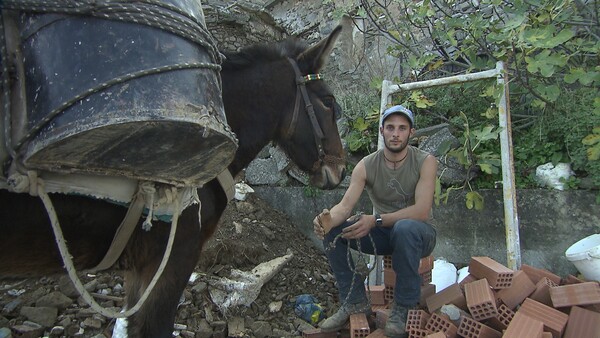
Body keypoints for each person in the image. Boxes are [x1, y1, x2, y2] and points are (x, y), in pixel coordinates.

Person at [313, 105, 437, 337]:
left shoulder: (425, 161)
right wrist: (327, 220)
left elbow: (421, 211)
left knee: (405, 227)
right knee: (334, 231)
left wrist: (375, 219)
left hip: (419, 234)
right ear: (381, 131)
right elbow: (345, 206)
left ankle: (404, 306)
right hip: (383, 234)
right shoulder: (366, 165)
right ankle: (354, 301)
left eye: (402, 128)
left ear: (412, 132)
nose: (395, 133)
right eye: (390, 127)